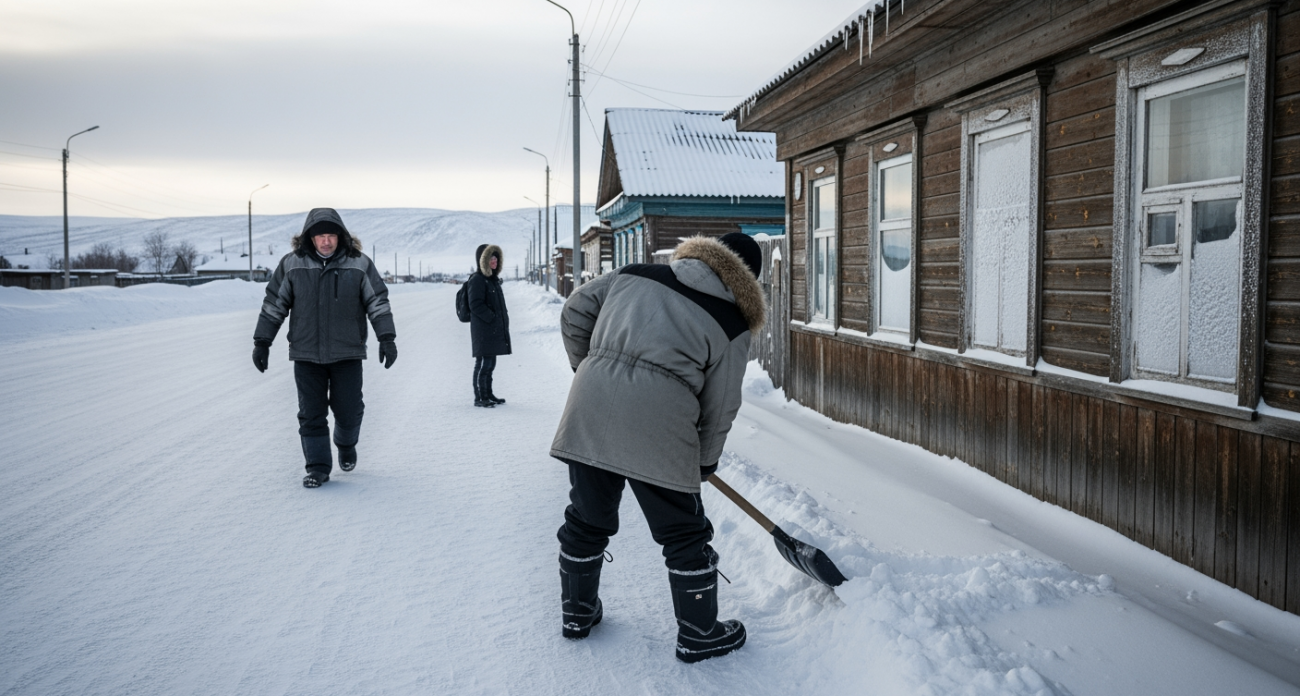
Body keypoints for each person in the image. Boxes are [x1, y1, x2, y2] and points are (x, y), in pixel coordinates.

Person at [549, 232, 766, 663]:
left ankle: (576, 613)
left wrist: (592, 368)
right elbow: (721, 406)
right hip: (661, 424)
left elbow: (574, 312)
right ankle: (700, 633)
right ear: (746, 279)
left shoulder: (633, 274)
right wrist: (703, 462)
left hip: (590, 406)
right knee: (683, 532)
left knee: (587, 516)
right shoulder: (731, 322)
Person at [251, 208, 397, 488]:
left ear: (341, 237)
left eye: (331, 235)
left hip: (348, 353)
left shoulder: (359, 264)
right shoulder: (292, 264)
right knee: (311, 413)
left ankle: (345, 443)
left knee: (350, 410)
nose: (326, 241)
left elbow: (377, 301)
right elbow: (274, 305)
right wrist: (262, 342)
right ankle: (318, 467)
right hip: (306, 354)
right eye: (320, 236)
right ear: (310, 238)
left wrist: (386, 337)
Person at [467, 243, 511, 408]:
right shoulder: (478, 279)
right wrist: (491, 318)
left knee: (490, 364)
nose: (494, 261)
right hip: (483, 330)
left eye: (496, 257)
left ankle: (488, 394)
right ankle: (480, 397)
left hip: (492, 329)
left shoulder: (492, 280)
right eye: (491, 258)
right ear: (482, 260)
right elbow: (475, 304)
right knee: (483, 364)